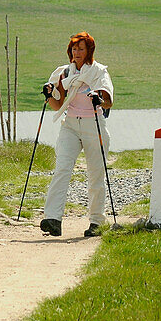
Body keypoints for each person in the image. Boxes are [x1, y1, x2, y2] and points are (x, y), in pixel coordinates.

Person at [39, 31, 114, 238]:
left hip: (94, 124)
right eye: (74, 48)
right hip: (70, 125)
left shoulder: (99, 72)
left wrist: (98, 99)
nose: (76, 52)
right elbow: (57, 106)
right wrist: (48, 96)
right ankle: (53, 219)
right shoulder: (64, 74)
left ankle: (97, 221)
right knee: (62, 168)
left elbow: (108, 101)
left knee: (96, 173)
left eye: (81, 48)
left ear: (89, 50)